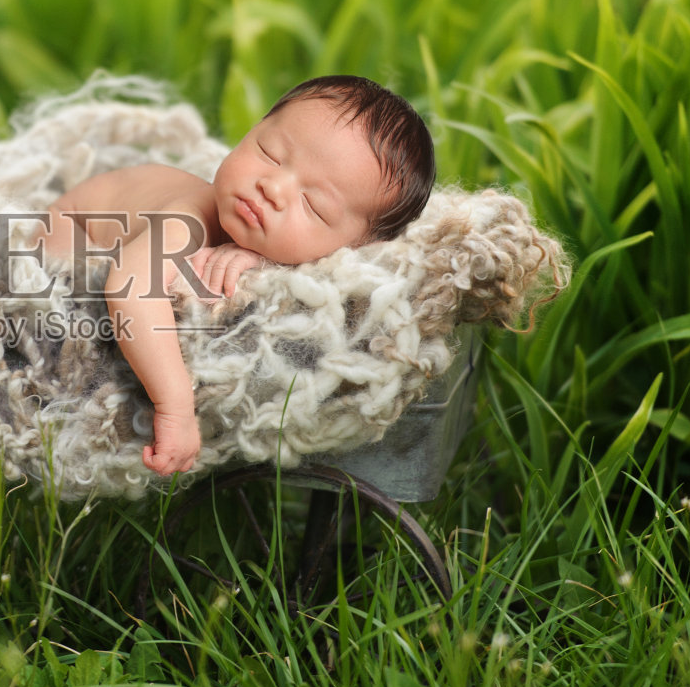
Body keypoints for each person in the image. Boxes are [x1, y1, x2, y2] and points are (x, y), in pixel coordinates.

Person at [36, 75, 436, 476]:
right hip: (72, 227)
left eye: (313, 206)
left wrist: (260, 261)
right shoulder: (187, 220)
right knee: (68, 311)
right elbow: (130, 289)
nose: (273, 186)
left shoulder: (314, 262)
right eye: (269, 153)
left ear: (352, 250)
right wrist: (175, 408)